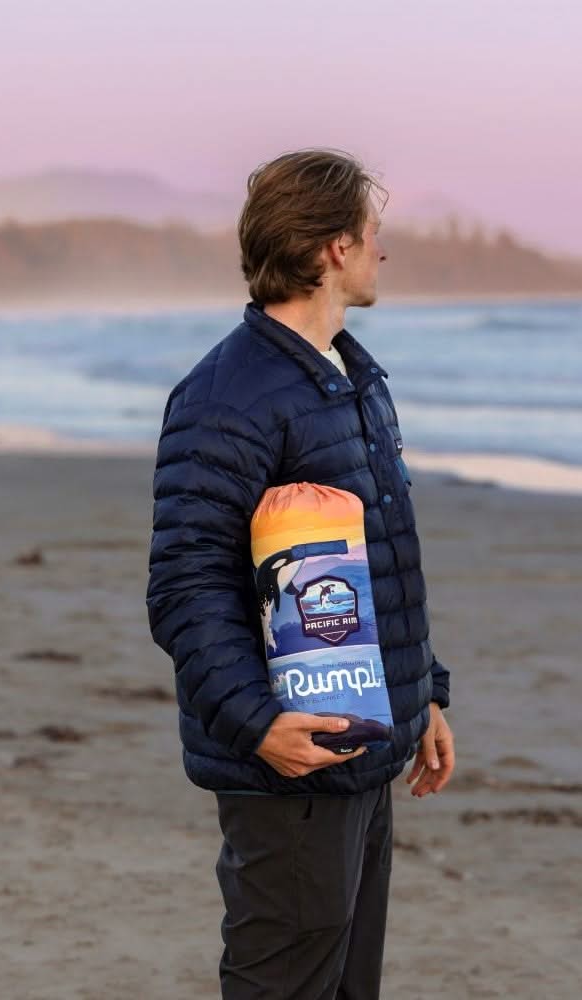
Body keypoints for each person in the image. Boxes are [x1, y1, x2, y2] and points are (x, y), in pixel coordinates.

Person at [146, 147, 455, 999]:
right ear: (333, 247)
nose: (381, 249)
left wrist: (422, 695)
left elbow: (379, 561)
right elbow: (185, 587)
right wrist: (257, 726)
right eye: (371, 231)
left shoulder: (351, 379)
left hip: (363, 747)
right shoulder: (229, 395)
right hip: (288, 766)